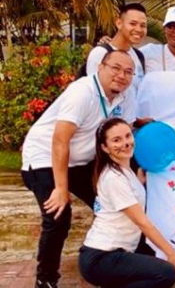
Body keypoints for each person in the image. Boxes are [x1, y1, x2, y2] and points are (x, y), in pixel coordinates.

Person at [21, 52, 137, 288]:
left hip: (80, 160)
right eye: (115, 68)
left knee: (117, 203)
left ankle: (108, 263)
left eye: (128, 72)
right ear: (100, 68)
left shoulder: (126, 95)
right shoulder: (82, 92)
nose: (121, 76)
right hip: (44, 156)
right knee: (58, 215)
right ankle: (46, 280)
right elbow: (60, 140)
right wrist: (61, 189)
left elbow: (124, 131)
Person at [78, 119, 175, 288]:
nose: (125, 143)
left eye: (127, 136)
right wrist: (171, 253)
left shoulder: (125, 171)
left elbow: (130, 195)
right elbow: (141, 222)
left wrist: (140, 181)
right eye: (116, 140)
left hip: (110, 254)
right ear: (105, 147)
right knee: (165, 273)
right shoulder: (114, 178)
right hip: (101, 257)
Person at [84, 2, 148, 80]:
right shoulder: (101, 53)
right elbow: (95, 88)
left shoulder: (138, 55)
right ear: (119, 23)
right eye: (133, 24)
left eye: (143, 25)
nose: (138, 29)